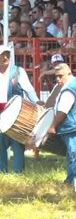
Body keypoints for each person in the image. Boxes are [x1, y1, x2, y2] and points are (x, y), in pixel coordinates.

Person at [0, 45, 39, 173]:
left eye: (7, 54)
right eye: (2, 54)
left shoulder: (18, 71)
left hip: (15, 114)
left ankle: (18, 173)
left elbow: (29, 89)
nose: (5, 57)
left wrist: (37, 102)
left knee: (17, 144)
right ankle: (2, 172)